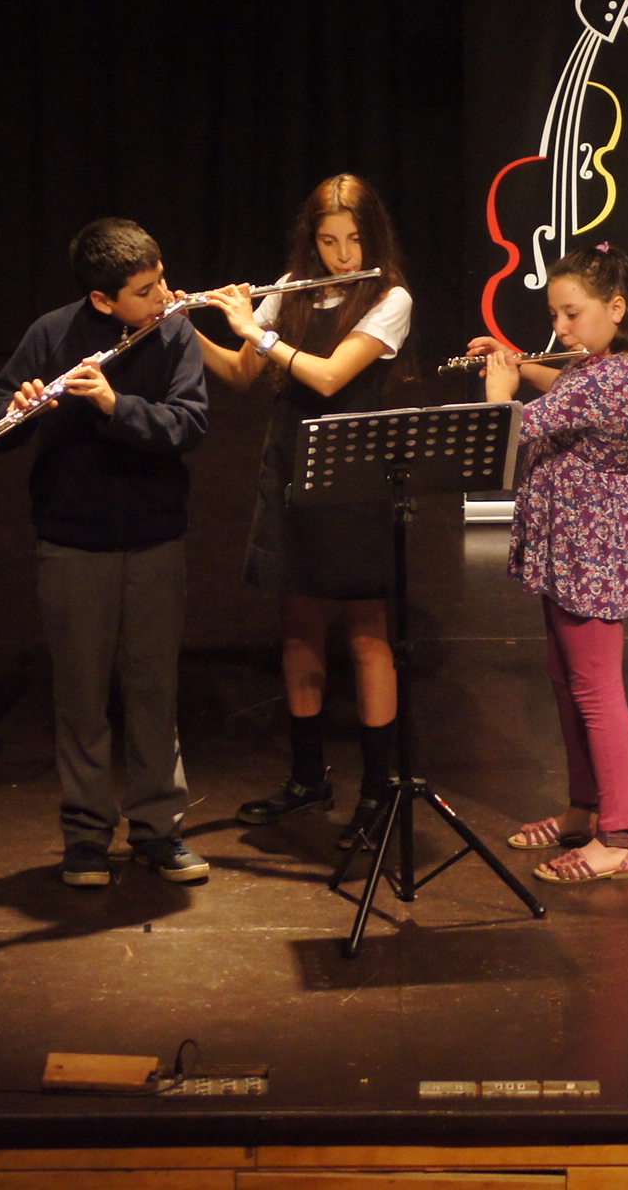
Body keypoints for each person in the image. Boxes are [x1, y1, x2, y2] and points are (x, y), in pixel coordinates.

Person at [0, 219, 211, 888]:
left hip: (154, 537)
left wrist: (115, 406)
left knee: (153, 692)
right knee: (81, 698)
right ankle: (85, 837)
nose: (163, 296)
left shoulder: (174, 333)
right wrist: (22, 406)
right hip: (72, 540)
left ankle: (158, 830)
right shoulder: (52, 333)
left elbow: (190, 423)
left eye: (161, 279)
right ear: (103, 300)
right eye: (145, 290)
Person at [200, 174, 411, 856]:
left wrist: (252, 332)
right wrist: (178, 328)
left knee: (366, 633)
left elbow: (327, 376)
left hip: (353, 471)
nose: (342, 256)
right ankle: (307, 777)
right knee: (297, 629)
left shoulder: (391, 299)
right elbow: (241, 374)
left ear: (372, 238)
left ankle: (376, 790)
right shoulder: (291, 288)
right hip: (291, 464)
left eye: (353, 240)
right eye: (328, 241)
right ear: (310, 241)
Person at [472, 243, 628, 884]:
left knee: (597, 692)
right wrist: (521, 363)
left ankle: (620, 837)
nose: (561, 327)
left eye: (572, 314)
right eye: (554, 315)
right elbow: (567, 391)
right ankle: (584, 808)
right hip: (567, 547)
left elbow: (514, 427)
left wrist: (500, 390)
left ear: (616, 308)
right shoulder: (599, 366)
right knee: (567, 680)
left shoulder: (615, 376)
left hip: (591, 552)